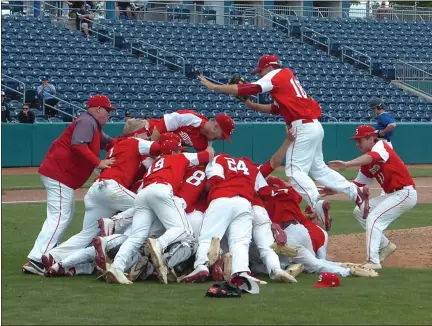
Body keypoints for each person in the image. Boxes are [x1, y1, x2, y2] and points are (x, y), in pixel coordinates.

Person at [198, 54, 368, 221]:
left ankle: (317, 203)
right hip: (314, 126)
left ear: (269, 67)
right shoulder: (287, 78)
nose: (260, 75)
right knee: (318, 169)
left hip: (302, 127)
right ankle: (355, 191)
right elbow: (276, 109)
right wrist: (251, 105)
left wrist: (216, 87)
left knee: (293, 172)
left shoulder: (275, 75)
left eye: (260, 72)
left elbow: (250, 88)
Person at [41, 119, 161, 271]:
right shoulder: (135, 142)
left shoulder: (119, 144)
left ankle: (54, 256)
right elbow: (158, 147)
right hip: (111, 188)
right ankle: (115, 224)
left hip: (96, 191)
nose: (149, 135)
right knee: (147, 207)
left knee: (87, 234)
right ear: (138, 133)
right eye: (147, 133)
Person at [22, 95, 117, 276]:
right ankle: (37, 259)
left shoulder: (93, 126)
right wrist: (99, 163)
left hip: (60, 176)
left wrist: (131, 143)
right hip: (58, 174)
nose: (109, 114)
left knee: (64, 214)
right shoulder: (86, 122)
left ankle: (47, 252)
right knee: (59, 216)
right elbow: (78, 146)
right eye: (107, 110)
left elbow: (110, 142)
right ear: (97, 109)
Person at [105, 139, 215, 284]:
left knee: (137, 236)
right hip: (161, 189)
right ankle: (159, 244)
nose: (181, 151)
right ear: (175, 151)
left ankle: (117, 266)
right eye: (179, 149)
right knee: (182, 230)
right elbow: (208, 155)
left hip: (143, 194)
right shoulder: (179, 157)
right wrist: (209, 143)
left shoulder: (155, 163)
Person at [327, 125, 417, 270]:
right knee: (360, 211)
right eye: (356, 141)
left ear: (370, 139)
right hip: (392, 194)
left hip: (404, 193)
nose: (357, 144)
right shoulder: (366, 165)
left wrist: (347, 164)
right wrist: (332, 190)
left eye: (360, 140)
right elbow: (356, 185)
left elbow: (372, 157)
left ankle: (373, 261)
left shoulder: (381, 146)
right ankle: (386, 246)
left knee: (373, 218)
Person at [181, 154, 279, 286]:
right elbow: (265, 191)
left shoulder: (220, 158)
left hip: (221, 199)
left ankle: (201, 265)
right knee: (240, 241)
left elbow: (214, 179)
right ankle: (241, 271)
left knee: (209, 236)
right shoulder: (252, 167)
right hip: (244, 202)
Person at [150, 110, 235, 151]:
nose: (221, 139)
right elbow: (157, 130)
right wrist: (153, 156)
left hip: (158, 145)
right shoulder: (191, 119)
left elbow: (206, 161)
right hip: (147, 131)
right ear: (215, 127)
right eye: (222, 135)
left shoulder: (206, 142)